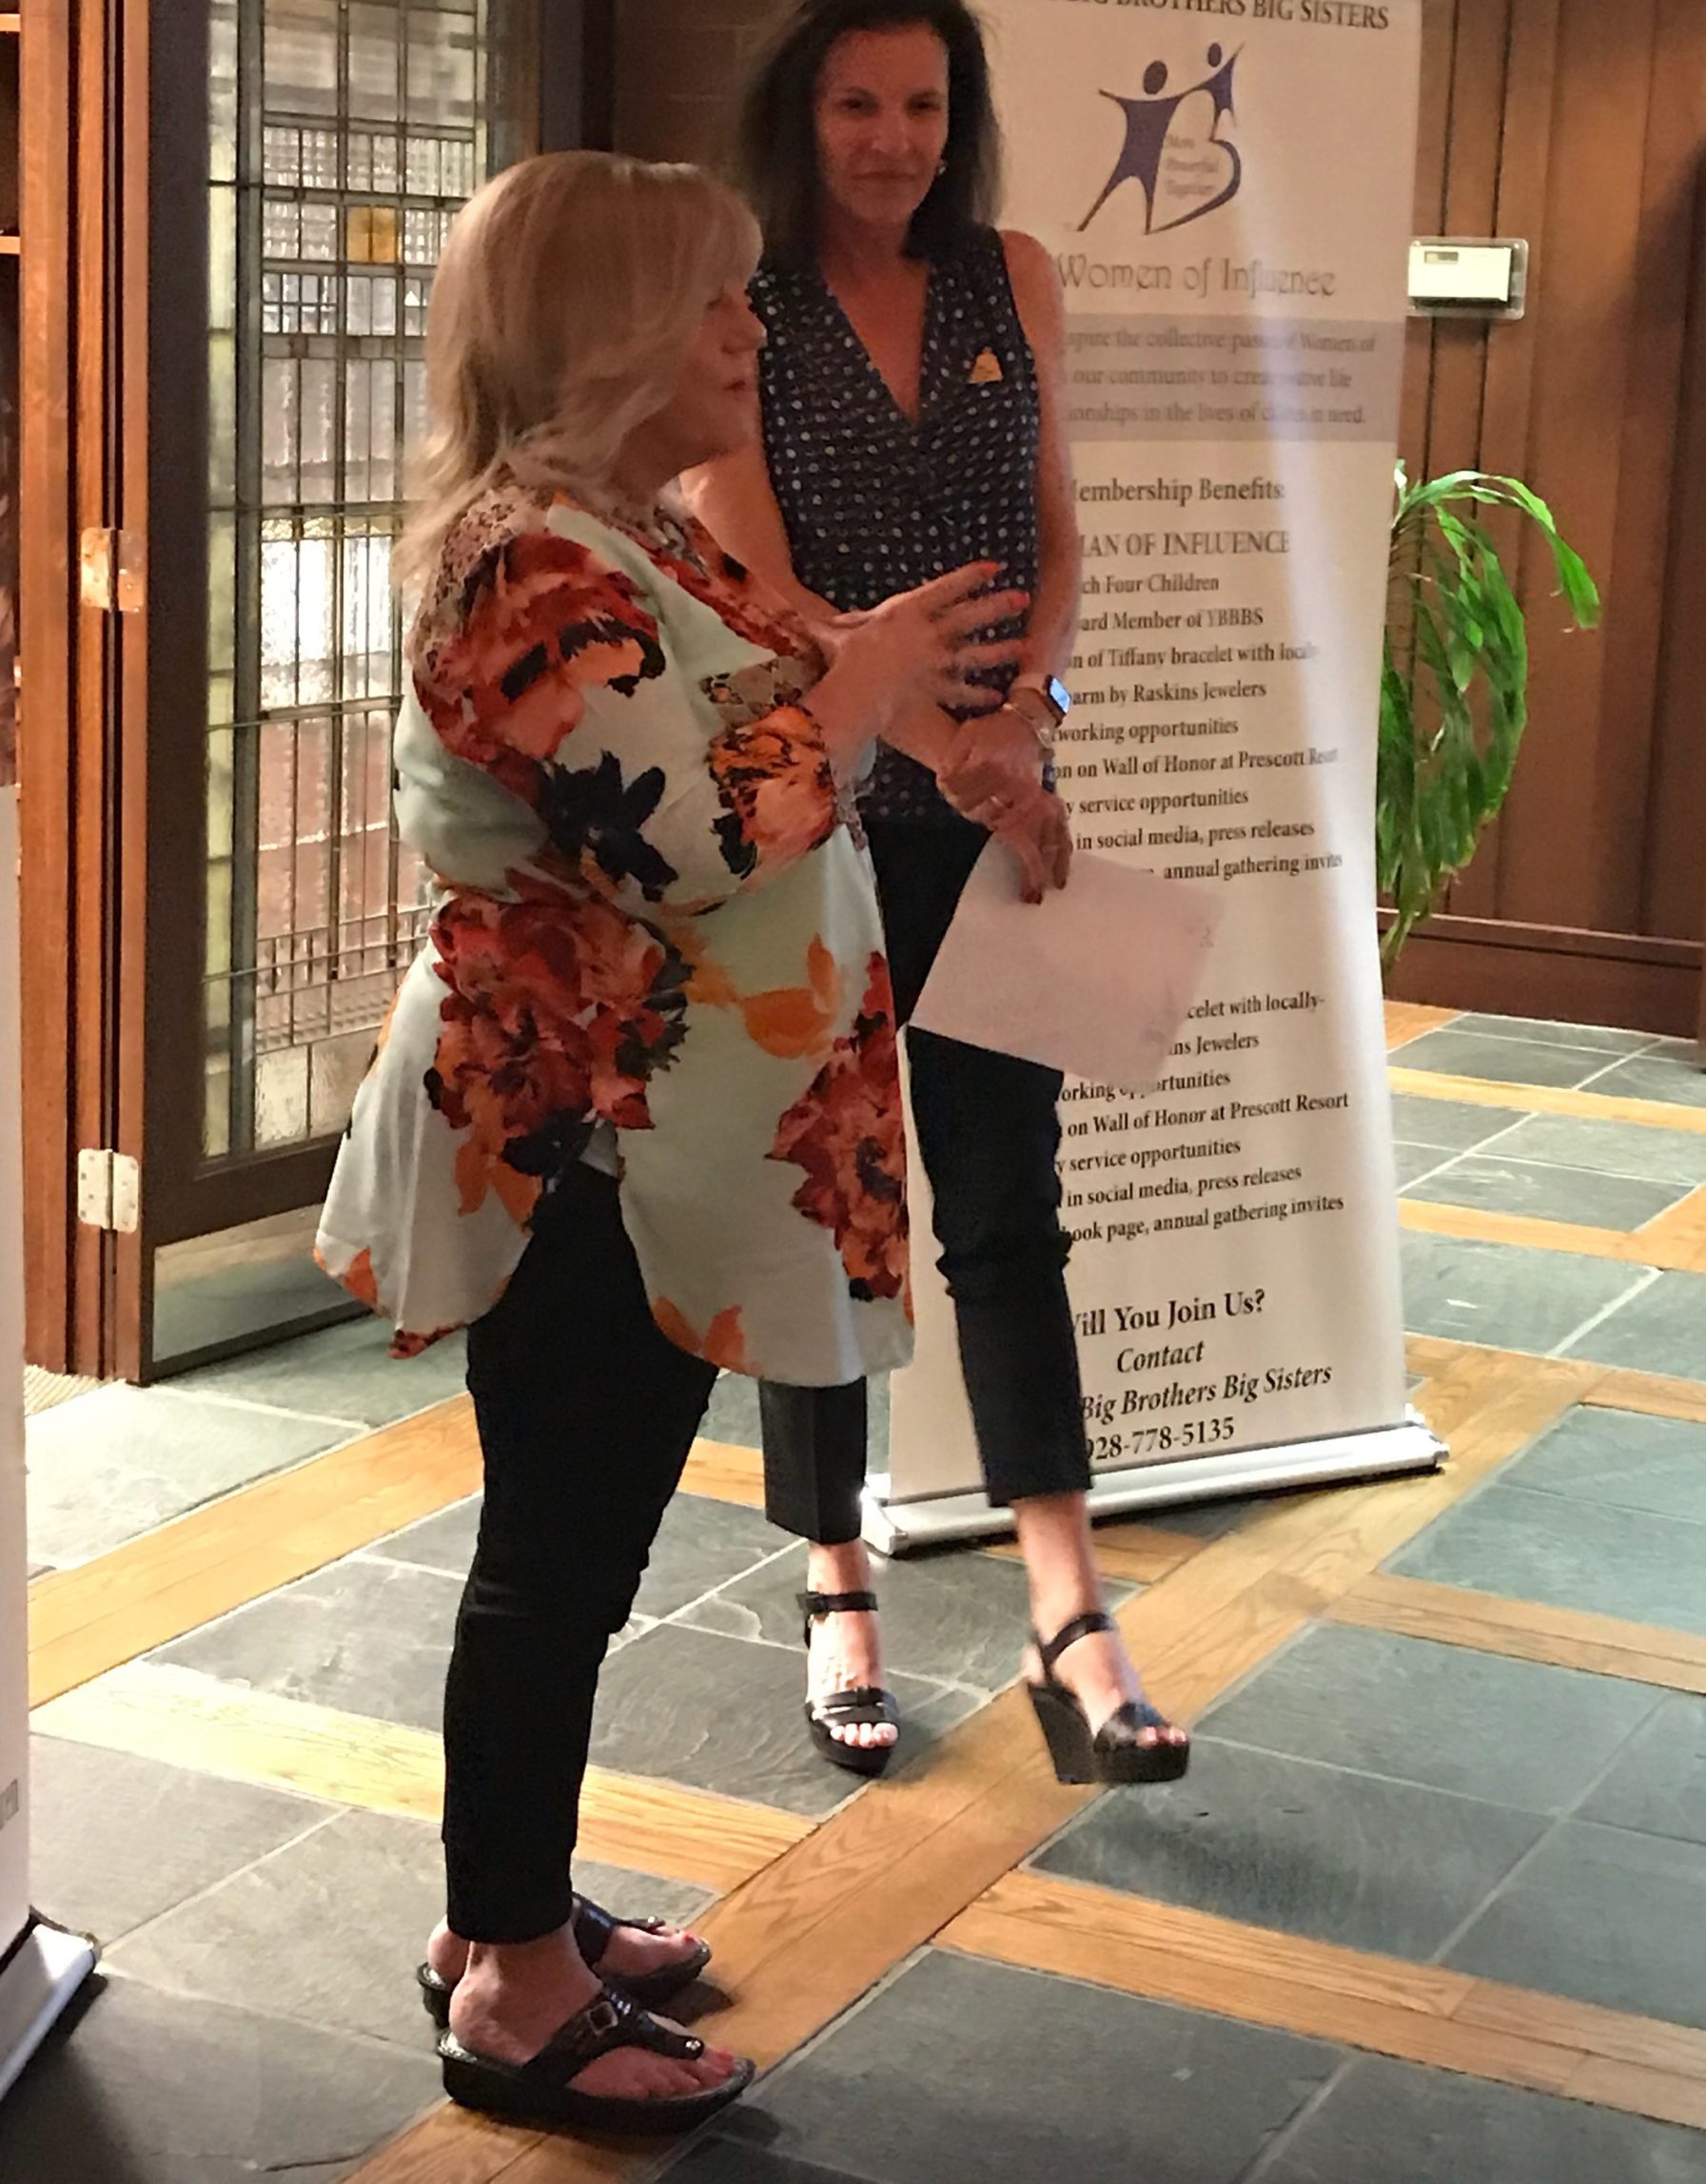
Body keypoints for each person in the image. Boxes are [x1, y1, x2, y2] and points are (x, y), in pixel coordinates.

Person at [314, 149, 1024, 2133]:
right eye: (712, 298)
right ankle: (512, 1984)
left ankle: (510, 1909)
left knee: (579, 1543)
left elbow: (767, 715)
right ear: (610, 330)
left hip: (645, 1136)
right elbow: (696, 834)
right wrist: (861, 682)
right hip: (586, 1148)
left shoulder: (621, 531)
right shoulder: (526, 566)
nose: (748, 327)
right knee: (558, 1556)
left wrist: (883, 682)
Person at [687, 0, 1189, 1792]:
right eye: (856, 103)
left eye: (922, 103)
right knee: (834, 1208)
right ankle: (837, 1581)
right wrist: (931, 740)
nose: (892, 139)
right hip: (821, 816)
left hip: (1000, 807)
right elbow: (755, 583)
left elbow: (1057, 535)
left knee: (1006, 1204)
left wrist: (1028, 719)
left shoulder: (1012, 275)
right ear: (799, 111)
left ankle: (1071, 1606)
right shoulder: (735, 296)